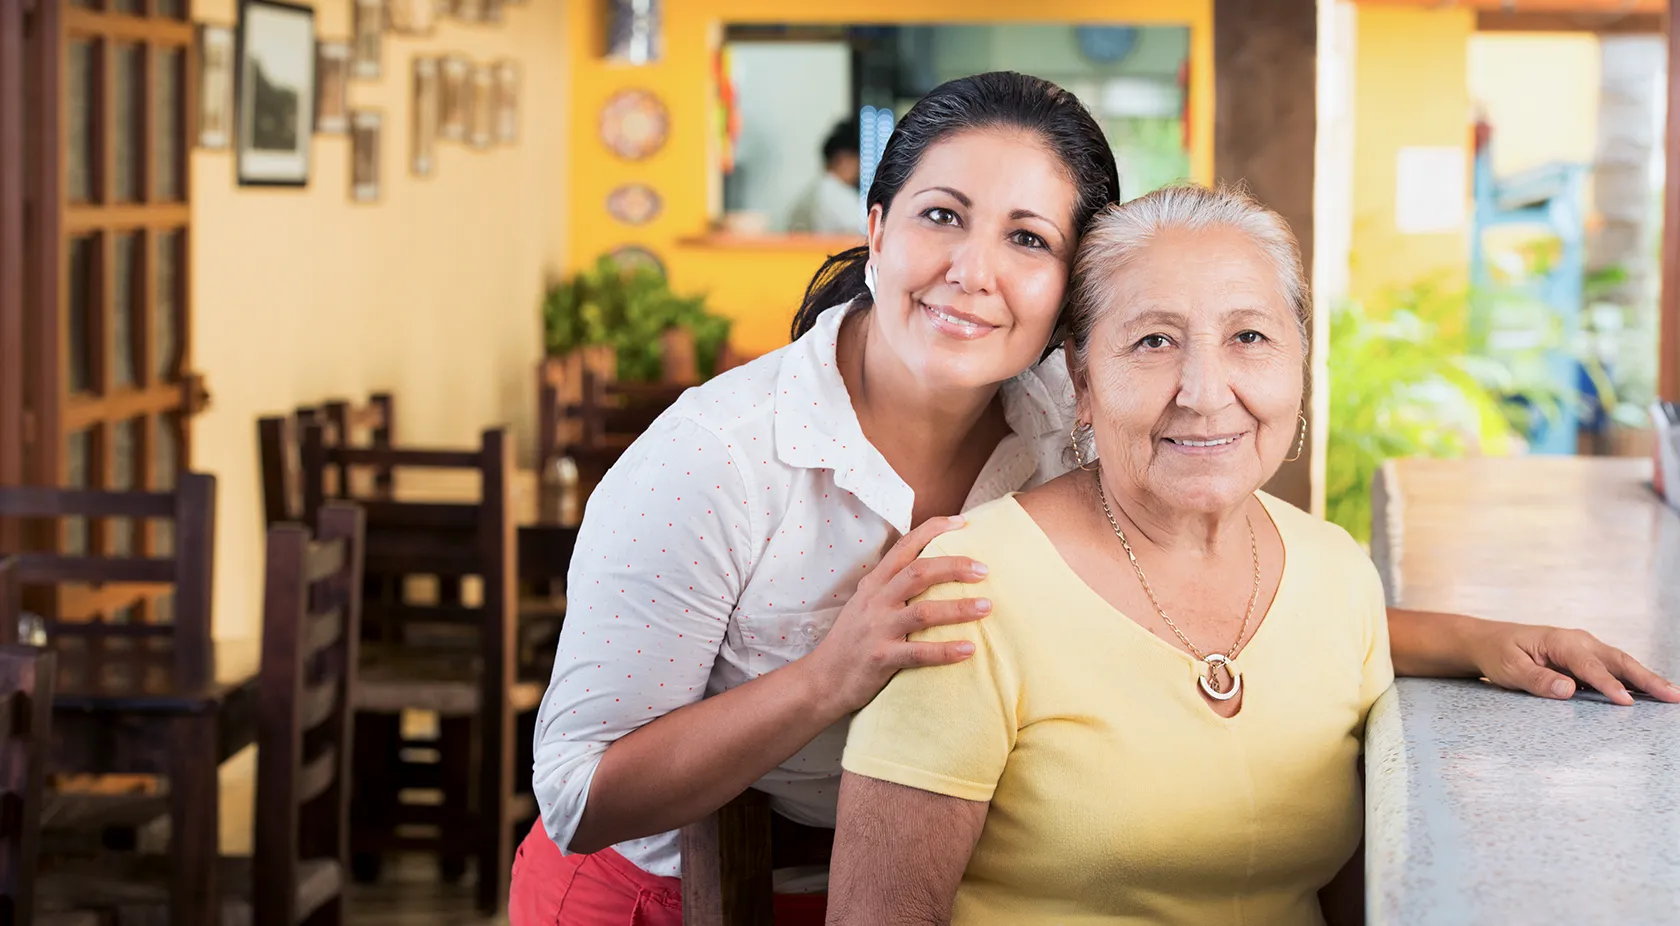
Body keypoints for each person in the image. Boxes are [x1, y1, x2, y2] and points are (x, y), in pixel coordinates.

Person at [512, 73, 1677, 926]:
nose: (973, 269)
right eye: (938, 215)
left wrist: (1474, 638)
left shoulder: (1062, 411)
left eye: (1026, 237)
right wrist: (829, 673)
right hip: (650, 887)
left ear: (1066, 302)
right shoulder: (716, 457)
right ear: (874, 230)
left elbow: (1174, 602)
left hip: (866, 874)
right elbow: (578, 793)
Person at [830, 185, 1382, 924]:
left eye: (1250, 337)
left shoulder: (1338, 572)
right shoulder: (966, 590)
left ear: (1301, 361)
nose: (1205, 393)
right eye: (1154, 341)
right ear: (1082, 381)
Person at [786, 117, 864, 235]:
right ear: (843, 159)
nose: (859, 169)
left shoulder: (808, 194)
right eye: (857, 161)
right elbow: (862, 236)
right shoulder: (840, 196)